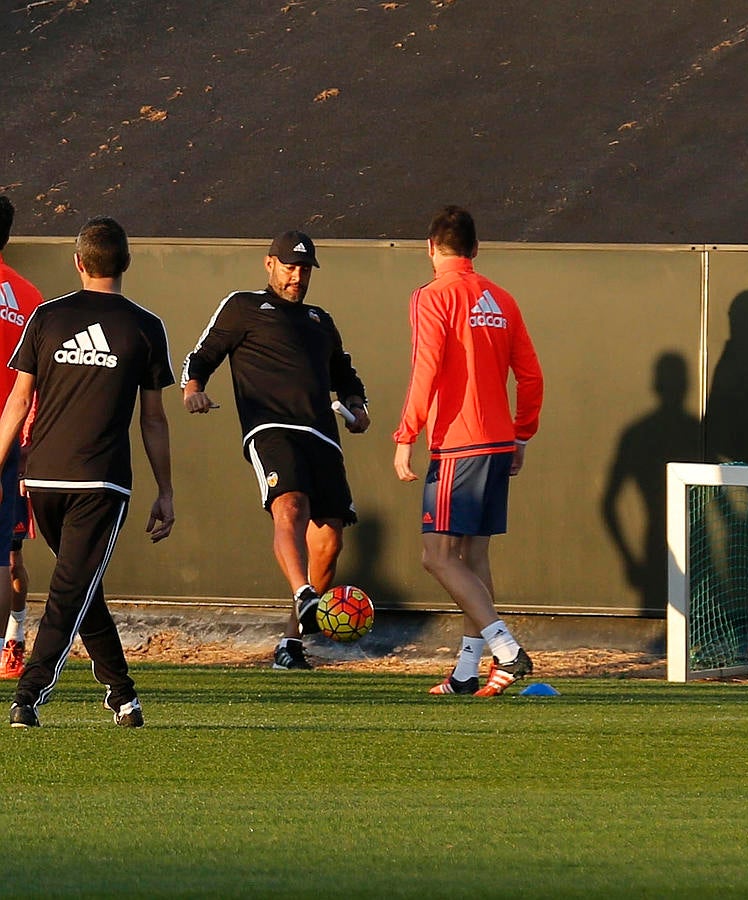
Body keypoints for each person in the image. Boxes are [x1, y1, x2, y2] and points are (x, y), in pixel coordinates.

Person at [3, 216, 175, 728]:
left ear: (79, 262)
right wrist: (166, 490)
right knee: (71, 586)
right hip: (99, 482)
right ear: (126, 262)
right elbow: (153, 418)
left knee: (79, 583)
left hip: (43, 478)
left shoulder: (47, 318)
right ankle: (29, 695)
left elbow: (17, 401)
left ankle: (122, 694)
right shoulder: (145, 326)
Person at [180, 231, 370, 670]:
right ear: (269, 264)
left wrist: (358, 408)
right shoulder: (244, 306)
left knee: (330, 540)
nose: (297, 276)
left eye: (304, 269)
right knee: (290, 505)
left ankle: (292, 643)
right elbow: (203, 354)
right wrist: (194, 389)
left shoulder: (322, 320)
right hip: (270, 427)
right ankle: (304, 593)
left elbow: (346, 374)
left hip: (322, 434)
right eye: (289, 266)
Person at [393, 206, 543, 696]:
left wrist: (405, 436)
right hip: (497, 442)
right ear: (475, 250)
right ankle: (466, 672)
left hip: (458, 443)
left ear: (430, 248)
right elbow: (531, 376)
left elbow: (426, 367)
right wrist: (521, 435)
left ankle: (506, 649)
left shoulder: (431, 296)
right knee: (472, 557)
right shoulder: (501, 297)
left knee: (436, 557)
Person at [0, 196, 43, 679]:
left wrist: (28, 445)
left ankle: (13, 638)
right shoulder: (28, 295)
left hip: (9, 446)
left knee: (10, 560)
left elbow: (36, 385)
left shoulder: (28, 298)